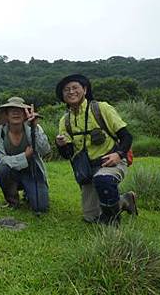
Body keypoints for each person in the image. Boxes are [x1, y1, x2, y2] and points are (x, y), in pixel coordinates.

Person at [55, 74, 137, 225]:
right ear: (62, 95)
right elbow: (68, 154)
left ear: (85, 90)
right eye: (66, 90)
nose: (71, 92)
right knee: (90, 217)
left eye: (75, 88)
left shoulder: (101, 108)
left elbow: (127, 136)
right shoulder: (64, 121)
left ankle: (112, 223)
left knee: (103, 179)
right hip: (88, 169)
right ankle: (124, 200)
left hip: (112, 161)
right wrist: (61, 145)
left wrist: (118, 155)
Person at [0, 96, 51, 213]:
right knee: (2, 170)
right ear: (6, 115)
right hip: (11, 173)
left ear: (25, 114)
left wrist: (34, 128)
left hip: (32, 172)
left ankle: (29, 193)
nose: (15, 112)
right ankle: (12, 200)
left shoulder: (33, 128)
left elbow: (45, 150)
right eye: (11, 110)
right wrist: (24, 156)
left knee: (41, 207)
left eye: (20, 110)